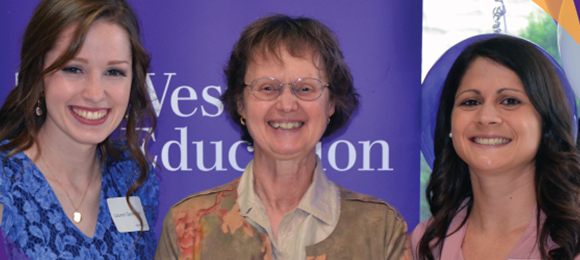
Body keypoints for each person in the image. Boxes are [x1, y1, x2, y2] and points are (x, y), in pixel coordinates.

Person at [155, 14, 411, 260]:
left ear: (331, 103)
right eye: (268, 88)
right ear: (240, 104)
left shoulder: (382, 229)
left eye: (305, 88)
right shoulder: (187, 224)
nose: (287, 104)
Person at [0, 0, 159, 258]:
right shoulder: (4, 184)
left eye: (114, 72)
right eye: (74, 69)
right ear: (37, 76)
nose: (95, 93)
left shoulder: (134, 178)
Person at [411, 35, 580, 260]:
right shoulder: (424, 244)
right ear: (449, 124)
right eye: (470, 102)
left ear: (546, 122)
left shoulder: (573, 241)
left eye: (510, 101)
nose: (486, 117)